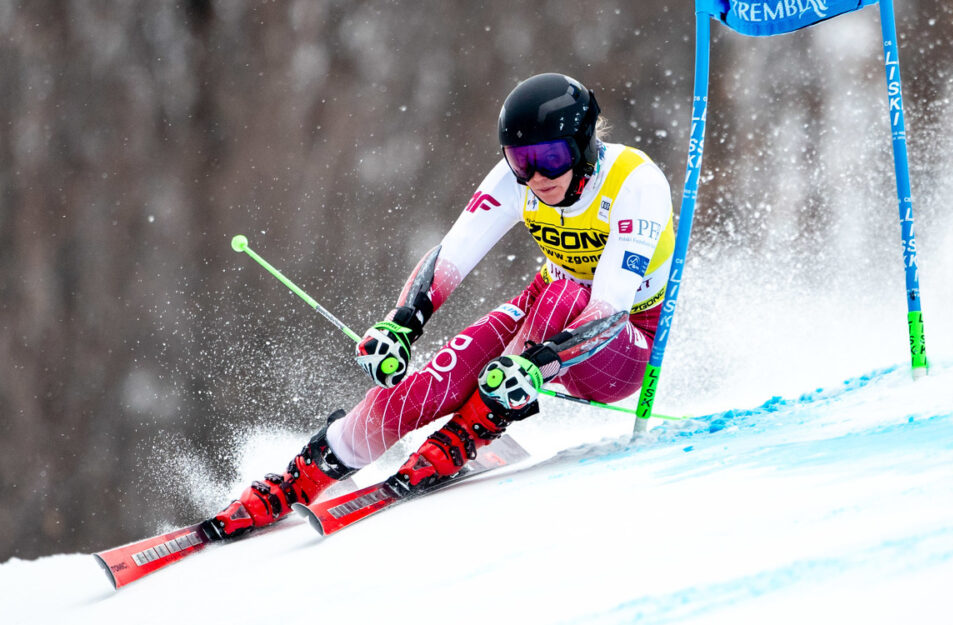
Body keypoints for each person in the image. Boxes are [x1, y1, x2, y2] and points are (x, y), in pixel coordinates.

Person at [204, 72, 675, 539]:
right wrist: (403, 323)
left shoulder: (635, 184)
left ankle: (467, 434)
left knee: (566, 293)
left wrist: (536, 365)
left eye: (551, 158)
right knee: (434, 380)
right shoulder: (520, 183)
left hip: (621, 343)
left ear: (585, 143)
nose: (535, 177)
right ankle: (307, 474)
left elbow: (610, 309)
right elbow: (449, 258)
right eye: (520, 161)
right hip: (544, 312)